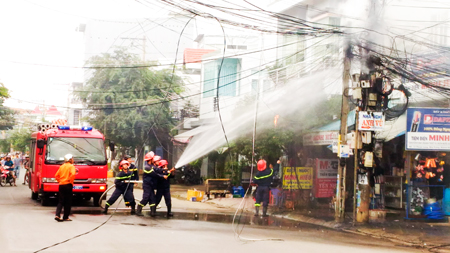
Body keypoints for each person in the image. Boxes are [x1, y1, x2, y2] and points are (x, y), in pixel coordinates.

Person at [54, 154, 77, 222]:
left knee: (60, 201)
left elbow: (56, 175)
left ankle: (57, 215)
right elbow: (73, 174)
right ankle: (66, 216)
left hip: (61, 185)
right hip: (68, 185)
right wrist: (70, 181)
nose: (73, 160)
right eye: (72, 158)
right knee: (68, 201)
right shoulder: (71, 166)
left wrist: (60, 181)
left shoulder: (62, 166)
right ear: (70, 159)